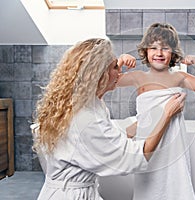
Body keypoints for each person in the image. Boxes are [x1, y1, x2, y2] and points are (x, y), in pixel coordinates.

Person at [30, 38, 186, 200]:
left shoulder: (81, 103)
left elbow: (111, 136)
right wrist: (166, 115)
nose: (119, 72)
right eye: (114, 67)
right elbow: (134, 157)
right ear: (99, 74)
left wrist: (150, 120)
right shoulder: (85, 118)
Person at [117, 23, 195, 200]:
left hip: (173, 146)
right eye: (154, 48)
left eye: (165, 48)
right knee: (149, 186)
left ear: (173, 53)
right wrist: (119, 62)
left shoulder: (178, 77)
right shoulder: (139, 77)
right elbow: (107, 82)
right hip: (149, 145)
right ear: (146, 51)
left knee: (174, 187)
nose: (159, 53)